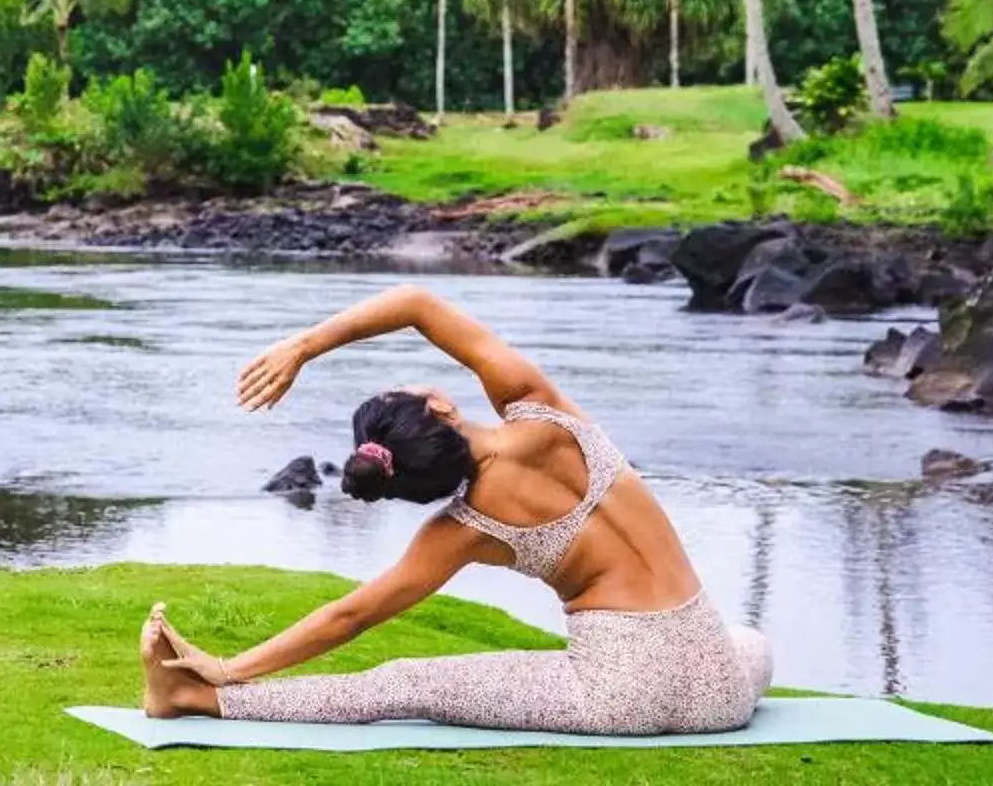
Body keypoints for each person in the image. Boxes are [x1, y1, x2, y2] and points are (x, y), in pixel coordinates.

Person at [140, 283, 772, 733]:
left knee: (403, 683)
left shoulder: (466, 529)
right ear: (440, 406)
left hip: (621, 697)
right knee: (752, 644)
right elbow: (418, 305)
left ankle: (198, 698)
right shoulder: (542, 409)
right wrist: (303, 346)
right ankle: (193, 695)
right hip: (721, 688)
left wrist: (230, 667)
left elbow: (353, 616)